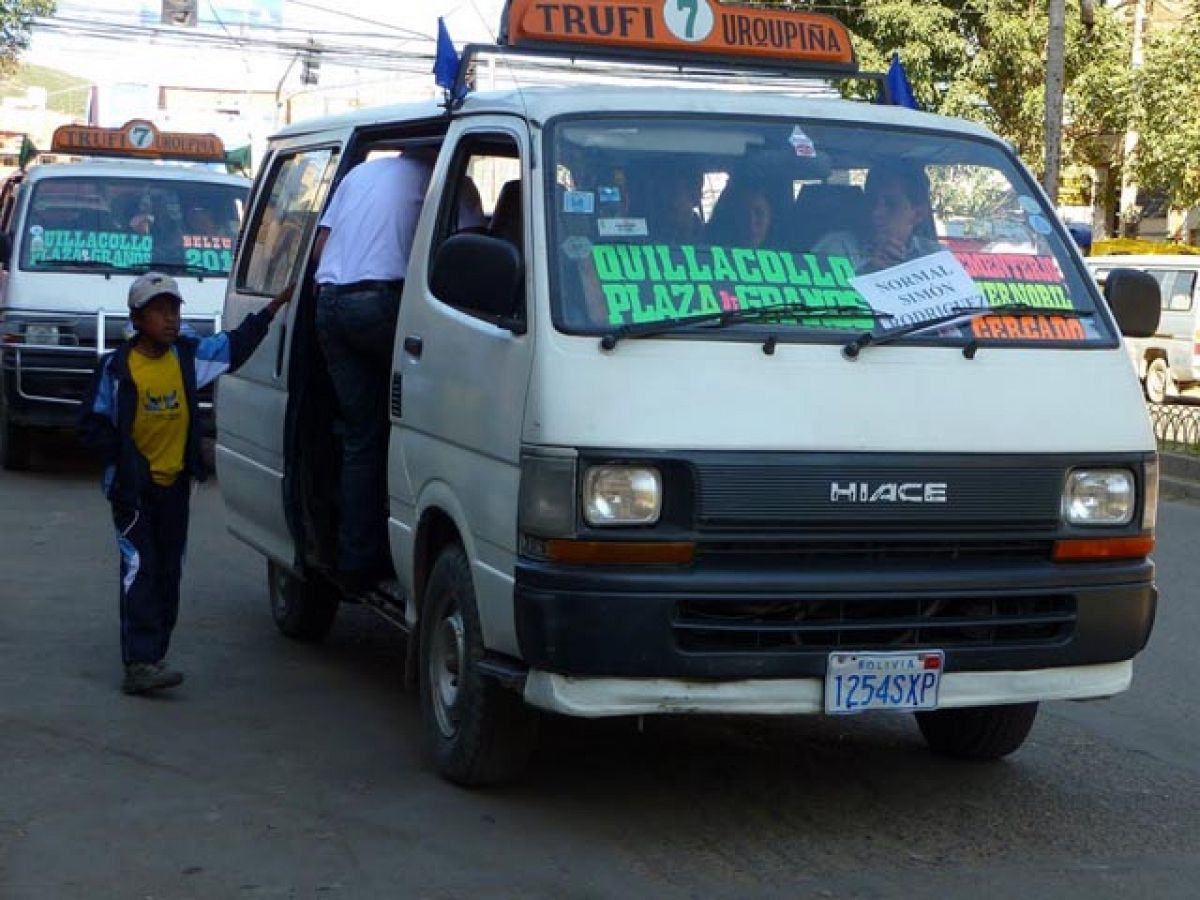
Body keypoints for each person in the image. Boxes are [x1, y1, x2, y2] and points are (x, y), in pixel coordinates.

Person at [79, 272, 291, 695]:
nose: (170, 320)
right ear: (137, 319)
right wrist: (125, 463)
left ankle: (154, 653)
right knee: (140, 570)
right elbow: (93, 425)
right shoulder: (117, 369)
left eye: (174, 310)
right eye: (159, 312)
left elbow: (233, 346)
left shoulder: (188, 357)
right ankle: (139, 663)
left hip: (173, 489)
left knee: (167, 573)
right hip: (132, 494)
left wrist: (271, 309)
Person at [310, 151, 433, 594]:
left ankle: (357, 558)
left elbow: (322, 246)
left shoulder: (361, 172)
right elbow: (463, 247)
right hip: (380, 302)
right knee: (428, 420)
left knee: (363, 433)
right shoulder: (436, 178)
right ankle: (409, 544)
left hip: (329, 300)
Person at [813, 161, 941, 272]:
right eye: (871, 201)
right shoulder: (836, 249)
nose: (876, 212)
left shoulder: (935, 256)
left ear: (918, 214)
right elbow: (818, 295)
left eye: (891, 205)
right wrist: (870, 272)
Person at [707, 177, 778, 248]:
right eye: (744, 215)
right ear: (732, 218)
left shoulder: (787, 253)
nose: (751, 223)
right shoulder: (708, 252)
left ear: (770, 218)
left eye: (759, 214)